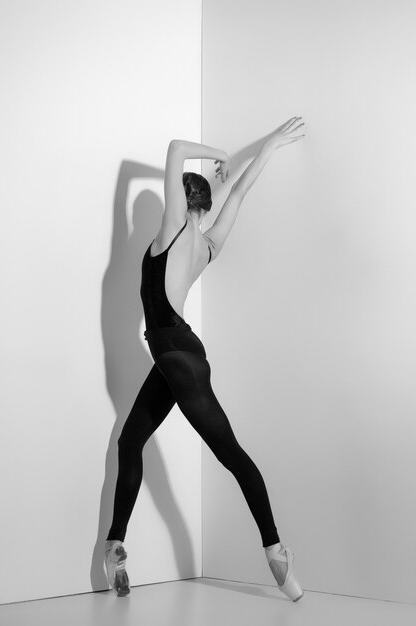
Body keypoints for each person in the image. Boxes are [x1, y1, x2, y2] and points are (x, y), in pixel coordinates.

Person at [104, 117, 306, 601]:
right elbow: (236, 197)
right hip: (178, 356)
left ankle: (276, 550)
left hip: (175, 352)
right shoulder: (207, 245)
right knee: (131, 440)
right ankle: (115, 545)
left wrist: (221, 154)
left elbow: (175, 148)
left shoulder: (172, 232)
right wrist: (268, 149)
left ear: (181, 200)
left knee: (230, 453)